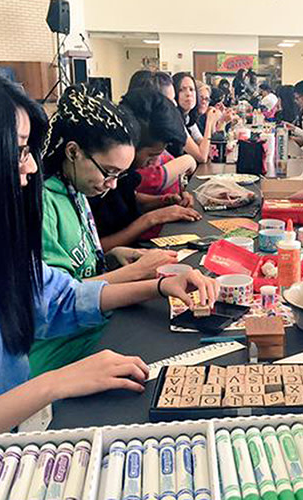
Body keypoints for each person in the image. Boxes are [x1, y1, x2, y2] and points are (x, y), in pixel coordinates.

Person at [0, 64, 218, 438]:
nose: (30, 167)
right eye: (18, 150)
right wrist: (54, 383)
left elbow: (56, 298)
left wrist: (157, 286)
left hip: (16, 438)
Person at [34, 85, 180, 376]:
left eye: (119, 175)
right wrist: (140, 275)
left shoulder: (76, 191)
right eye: (109, 172)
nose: (112, 185)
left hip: (98, 328)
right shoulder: (42, 205)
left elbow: (81, 270)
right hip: (63, 354)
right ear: (73, 152)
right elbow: (57, 302)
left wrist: (112, 256)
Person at [88, 89, 202, 251]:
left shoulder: (124, 174)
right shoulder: (94, 179)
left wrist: (166, 201)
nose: (155, 162)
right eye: (151, 155)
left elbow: (126, 199)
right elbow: (94, 249)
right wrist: (151, 218)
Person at [172, 72, 220, 164]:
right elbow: (202, 157)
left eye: (191, 89)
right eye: (182, 90)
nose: (188, 94)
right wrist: (209, 121)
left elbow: (208, 148)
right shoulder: (175, 120)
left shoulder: (188, 118)